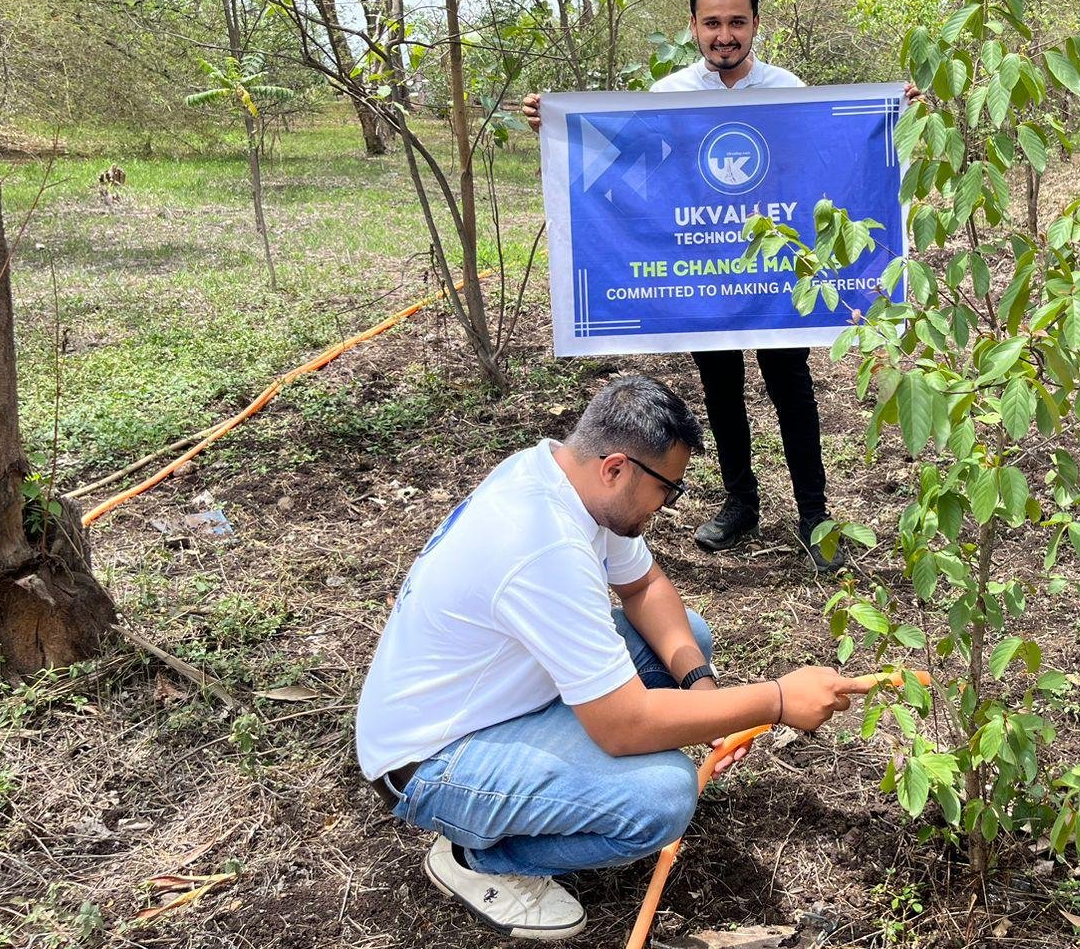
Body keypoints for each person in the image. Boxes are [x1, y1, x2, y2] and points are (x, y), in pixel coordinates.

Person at [355, 376, 873, 940]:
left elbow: (645, 586)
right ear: (617, 467)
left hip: (493, 701)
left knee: (686, 641)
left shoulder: (561, 473)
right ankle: (478, 857)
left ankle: (522, 805)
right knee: (662, 796)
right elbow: (623, 728)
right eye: (667, 491)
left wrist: (702, 689)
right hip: (431, 761)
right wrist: (774, 700)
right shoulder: (543, 544)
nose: (668, 506)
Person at [524, 0, 843, 570]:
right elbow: (623, 160)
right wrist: (559, 127)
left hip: (775, 276)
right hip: (701, 275)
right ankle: (740, 503)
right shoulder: (670, 93)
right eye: (713, 23)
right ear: (693, 26)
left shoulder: (788, 88)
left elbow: (829, 154)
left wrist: (893, 114)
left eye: (737, 22)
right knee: (721, 394)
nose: (725, 35)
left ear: (755, 24)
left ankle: (815, 515)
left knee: (792, 393)